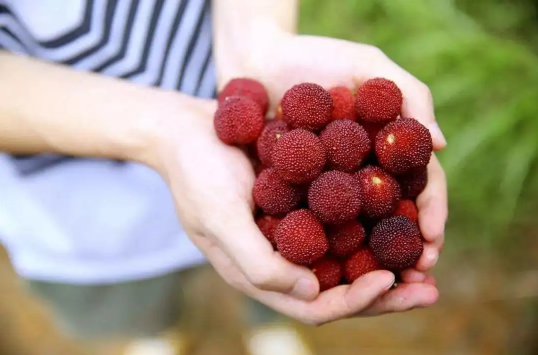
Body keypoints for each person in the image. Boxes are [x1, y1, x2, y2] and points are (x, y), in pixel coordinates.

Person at [0, 0, 448, 354]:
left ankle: (265, 324)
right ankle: (159, 332)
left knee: (273, 268)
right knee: (130, 300)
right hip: (63, 197)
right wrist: (162, 133)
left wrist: (260, 42)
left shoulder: (294, 161)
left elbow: (324, 203)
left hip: (217, 94)